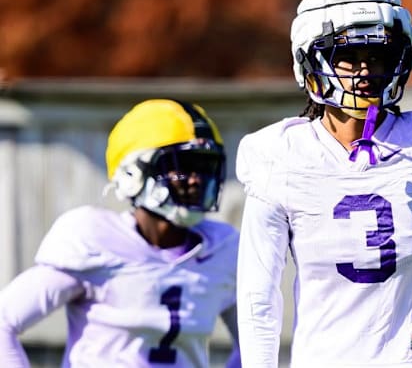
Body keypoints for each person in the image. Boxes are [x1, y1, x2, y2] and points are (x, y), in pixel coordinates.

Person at [235, 0, 412, 368]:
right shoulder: (279, 157)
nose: (364, 70)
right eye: (348, 55)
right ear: (310, 61)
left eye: (377, 56)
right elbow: (259, 298)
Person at [0, 99, 241, 367]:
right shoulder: (95, 239)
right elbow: (4, 321)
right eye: (182, 165)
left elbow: (258, 341)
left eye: (205, 166)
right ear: (134, 172)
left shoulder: (223, 248)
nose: (196, 179)